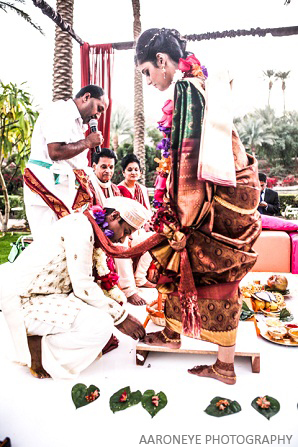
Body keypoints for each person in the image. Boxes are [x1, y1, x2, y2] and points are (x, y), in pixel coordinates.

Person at [135, 28, 262, 384]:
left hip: (209, 202)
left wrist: (181, 221)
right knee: (197, 272)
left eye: (147, 71)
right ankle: (178, 335)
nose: (148, 81)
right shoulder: (198, 82)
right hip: (227, 192)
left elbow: (188, 162)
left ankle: (221, 366)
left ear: (162, 61)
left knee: (201, 268)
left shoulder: (187, 90)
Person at [0, 197, 148, 380]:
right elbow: (83, 287)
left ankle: (42, 343)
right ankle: (38, 351)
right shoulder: (81, 229)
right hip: (25, 299)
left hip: (51, 293)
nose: (122, 239)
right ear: (114, 216)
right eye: (125, 232)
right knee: (101, 326)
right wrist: (121, 317)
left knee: (101, 315)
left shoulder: (87, 225)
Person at [23, 85, 109, 239]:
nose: (98, 116)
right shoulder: (60, 111)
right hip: (47, 185)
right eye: (99, 108)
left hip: (63, 189)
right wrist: (87, 143)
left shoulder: (77, 123)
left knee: (69, 243)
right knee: (50, 243)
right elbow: (55, 152)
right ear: (86, 97)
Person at [116, 153, 156, 306]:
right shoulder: (118, 189)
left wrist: (148, 226)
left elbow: (147, 213)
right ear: (123, 172)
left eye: (136, 169)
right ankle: (134, 283)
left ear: (140, 172)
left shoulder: (143, 189)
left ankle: (140, 277)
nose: (133, 172)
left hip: (141, 230)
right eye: (129, 169)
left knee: (157, 239)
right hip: (125, 233)